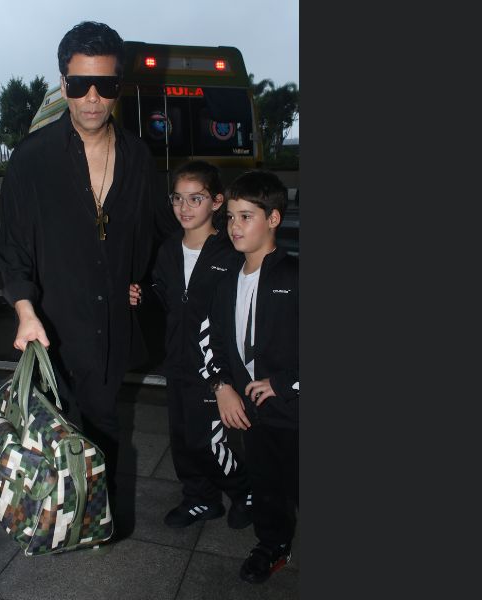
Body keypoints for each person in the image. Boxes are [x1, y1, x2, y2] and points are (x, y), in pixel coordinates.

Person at [0, 21, 157, 518]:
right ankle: (57, 520)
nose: (91, 98)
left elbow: (152, 236)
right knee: (56, 436)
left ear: (118, 86)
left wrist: (141, 282)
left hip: (110, 329)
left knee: (105, 430)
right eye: (80, 83)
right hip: (53, 329)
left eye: (104, 85)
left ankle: (95, 521)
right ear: (63, 82)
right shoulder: (32, 159)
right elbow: (13, 250)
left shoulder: (138, 157)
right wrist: (25, 311)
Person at [130, 161, 252, 530]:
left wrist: (226, 379)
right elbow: (163, 297)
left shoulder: (229, 253)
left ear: (216, 202)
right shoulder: (168, 249)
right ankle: (200, 499)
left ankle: (244, 491)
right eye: (177, 198)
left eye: (195, 199)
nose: (184, 208)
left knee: (210, 441)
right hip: (177, 361)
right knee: (182, 437)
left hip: (214, 368)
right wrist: (142, 296)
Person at [199, 169, 298, 584]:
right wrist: (222, 387)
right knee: (266, 482)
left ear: (273, 218)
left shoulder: (295, 277)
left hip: (295, 409)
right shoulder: (226, 282)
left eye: (245, 217)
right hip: (253, 413)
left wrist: (283, 383)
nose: (234, 226)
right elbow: (212, 342)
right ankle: (272, 544)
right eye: (230, 217)